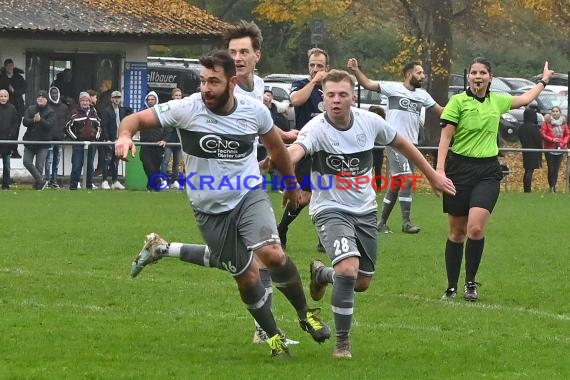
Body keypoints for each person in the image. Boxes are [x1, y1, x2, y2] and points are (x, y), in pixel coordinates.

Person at [115, 51, 331, 358]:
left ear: (231, 82)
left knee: (271, 254)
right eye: (202, 81)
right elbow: (134, 119)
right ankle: (273, 337)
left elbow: (277, 150)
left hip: (248, 195)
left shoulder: (254, 111)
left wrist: (291, 183)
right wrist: (124, 135)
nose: (205, 88)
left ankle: (304, 314)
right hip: (209, 211)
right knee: (246, 276)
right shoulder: (186, 108)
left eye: (213, 81)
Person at [264, 69, 454, 358]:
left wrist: (431, 174)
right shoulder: (315, 128)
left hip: (365, 210)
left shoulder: (370, 122)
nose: (336, 100)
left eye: (342, 95)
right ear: (323, 100)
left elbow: (402, 143)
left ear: (353, 97)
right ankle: (342, 344)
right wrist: (280, 159)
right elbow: (297, 151)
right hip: (330, 209)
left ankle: (321, 274)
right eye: (330, 95)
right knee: (349, 268)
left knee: (361, 281)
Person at [437, 58, 554, 302]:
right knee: (457, 233)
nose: (477, 76)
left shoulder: (497, 100)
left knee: (476, 228)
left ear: (490, 76)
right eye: (473, 72)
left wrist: (543, 81)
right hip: (459, 169)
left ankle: (470, 283)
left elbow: (524, 99)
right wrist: (439, 171)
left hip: (488, 170)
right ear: (468, 76)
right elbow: (446, 138)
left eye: (482, 73)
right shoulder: (457, 102)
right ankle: (451, 286)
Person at [224, 20, 298, 344]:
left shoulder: (258, 87)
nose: (237, 58)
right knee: (249, 259)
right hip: (222, 184)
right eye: (232, 52)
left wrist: (282, 137)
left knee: (266, 253)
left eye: (243, 52)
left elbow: (258, 120)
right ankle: (168, 249)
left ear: (257, 55)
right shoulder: (221, 88)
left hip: (249, 179)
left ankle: (264, 330)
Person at [347, 58, 444, 234]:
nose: (423, 76)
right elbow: (368, 84)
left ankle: (381, 222)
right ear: (408, 74)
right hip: (395, 142)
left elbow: (442, 112)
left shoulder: (423, 95)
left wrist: (464, 107)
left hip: (412, 145)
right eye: (419, 72)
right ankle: (406, 223)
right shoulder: (394, 89)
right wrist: (356, 70)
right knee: (407, 179)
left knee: (397, 183)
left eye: (423, 73)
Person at [276, 47, 330, 252]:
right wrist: (314, 81)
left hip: (329, 148)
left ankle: (324, 238)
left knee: (329, 192)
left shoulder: (330, 87)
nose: (315, 69)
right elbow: (296, 101)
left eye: (320, 66)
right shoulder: (302, 84)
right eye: (312, 65)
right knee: (305, 196)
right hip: (307, 147)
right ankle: (281, 229)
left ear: (327, 67)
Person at [65, 91, 102, 190]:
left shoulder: (94, 112)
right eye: (83, 101)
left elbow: (99, 126)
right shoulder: (74, 113)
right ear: (79, 102)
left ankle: (89, 185)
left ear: (89, 101)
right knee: (77, 165)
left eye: (86, 100)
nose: (85, 103)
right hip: (79, 143)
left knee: (90, 166)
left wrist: (96, 138)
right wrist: (76, 139)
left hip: (91, 143)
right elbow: (68, 128)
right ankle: (73, 186)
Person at [22, 90, 56, 190]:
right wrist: (33, 120)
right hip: (30, 141)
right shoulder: (30, 109)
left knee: (39, 166)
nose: (40, 99)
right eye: (38, 97)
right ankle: (41, 181)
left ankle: (37, 186)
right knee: (26, 161)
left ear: (46, 100)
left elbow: (49, 125)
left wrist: (40, 120)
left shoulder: (51, 111)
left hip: (43, 143)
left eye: (43, 97)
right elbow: (25, 122)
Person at [100, 90, 132, 190]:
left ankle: (115, 181)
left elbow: (130, 114)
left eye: (118, 97)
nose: (117, 99)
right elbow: (104, 126)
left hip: (119, 139)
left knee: (115, 161)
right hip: (109, 139)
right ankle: (104, 181)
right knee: (107, 160)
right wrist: (107, 138)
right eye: (115, 97)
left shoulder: (122, 110)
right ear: (111, 99)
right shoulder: (106, 111)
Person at [44, 86, 70, 189]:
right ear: (50, 94)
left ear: (58, 94)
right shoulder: (47, 106)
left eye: (56, 93)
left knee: (56, 161)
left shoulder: (64, 107)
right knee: (48, 160)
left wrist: (65, 133)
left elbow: (67, 122)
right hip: (49, 138)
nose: (54, 95)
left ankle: (54, 180)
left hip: (60, 138)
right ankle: (47, 180)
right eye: (52, 93)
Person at [139, 91, 165, 191]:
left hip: (158, 143)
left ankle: (151, 186)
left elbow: (168, 126)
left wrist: (165, 139)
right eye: (148, 100)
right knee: (146, 163)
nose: (150, 101)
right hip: (145, 143)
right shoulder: (142, 111)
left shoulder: (162, 111)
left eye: (152, 99)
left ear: (156, 100)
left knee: (156, 166)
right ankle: (157, 182)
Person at [0, 58, 26, 159]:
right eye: (7, 66)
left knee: (16, 129)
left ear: (13, 66)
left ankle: (14, 150)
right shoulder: (2, 77)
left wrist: (15, 91)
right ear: (5, 67)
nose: (9, 68)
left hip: (17, 107)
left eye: (11, 66)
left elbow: (25, 88)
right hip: (3, 107)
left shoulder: (18, 78)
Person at [540, 106, 569, 193]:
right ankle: (551, 186)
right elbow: (542, 133)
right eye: (553, 111)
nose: (555, 113)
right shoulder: (546, 122)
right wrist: (552, 139)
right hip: (549, 148)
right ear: (551, 113)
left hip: (560, 149)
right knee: (551, 168)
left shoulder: (564, 123)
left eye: (557, 111)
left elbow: (567, 134)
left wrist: (563, 142)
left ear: (560, 112)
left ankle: (554, 185)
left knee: (556, 169)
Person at [160, 87, 183, 189]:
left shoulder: (184, 108)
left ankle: (175, 181)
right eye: (176, 95)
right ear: (172, 96)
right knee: (165, 161)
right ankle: (164, 181)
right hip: (168, 140)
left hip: (179, 141)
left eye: (179, 96)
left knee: (176, 163)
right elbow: (164, 124)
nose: (178, 97)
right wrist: (164, 138)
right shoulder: (167, 107)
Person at [518, 107, 542, 192]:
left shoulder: (521, 127)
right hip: (533, 150)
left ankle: (526, 188)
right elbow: (538, 140)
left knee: (527, 169)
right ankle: (527, 189)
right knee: (529, 170)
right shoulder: (534, 127)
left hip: (525, 150)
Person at [0, 89, 20, 190]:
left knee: (7, 166)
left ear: (8, 97)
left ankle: (6, 186)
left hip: (7, 142)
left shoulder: (12, 108)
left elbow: (15, 123)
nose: (3, 98)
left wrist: (11, 134)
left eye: (5, 96)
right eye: (1, 96)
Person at [368, 105, 387, 189]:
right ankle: (368, 186)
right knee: (370, 168)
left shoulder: (382, 123)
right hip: (371, 149)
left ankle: (378, 186)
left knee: (378, 169)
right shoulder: (369, 123)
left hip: (378, 150)